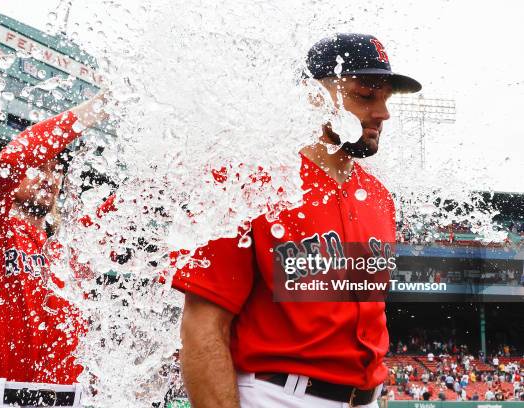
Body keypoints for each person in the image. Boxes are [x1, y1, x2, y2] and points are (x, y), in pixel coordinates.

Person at [172, 33, 421, 407]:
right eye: (366, 96)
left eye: (385, 98)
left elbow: (368, 327)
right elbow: (203, 327)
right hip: (278, 395)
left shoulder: (380, 198)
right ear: (314, 96)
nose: (383, 113)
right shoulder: (249, 185)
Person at [0, 92, 110, 384]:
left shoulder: (66, 251)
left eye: (57, 168)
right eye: (39, 166)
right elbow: (13, 158)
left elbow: (119, 213)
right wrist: (95, 109)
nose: (49, 176)